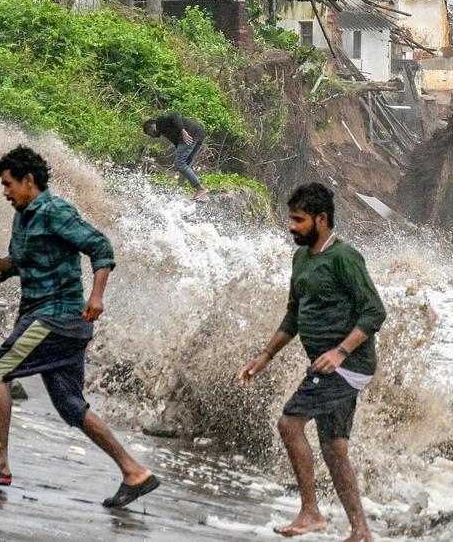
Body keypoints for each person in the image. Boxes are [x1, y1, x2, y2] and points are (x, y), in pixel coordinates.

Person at [0, 146, 159, 508]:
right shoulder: (23, 216)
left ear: (29, 181)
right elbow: (17, 265)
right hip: (52, 321)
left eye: (9, 184)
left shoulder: (55, 211)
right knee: (70, 405)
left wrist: (96, 297)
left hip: (57, 318)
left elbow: (100, 246)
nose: (6, 192)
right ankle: (134, 471)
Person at [238, 183, 386, 541]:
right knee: (334, 448)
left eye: (298, 219)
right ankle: (361, 531)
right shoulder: (302, 258)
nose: (291, 226)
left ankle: (310, 513)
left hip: (345, 367)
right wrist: (265, 356)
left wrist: (340, 352)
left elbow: (374, 312)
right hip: (329, 367)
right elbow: (293, 315)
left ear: (322, 219)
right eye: (290, 218)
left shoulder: (345, 258)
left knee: (289, 425)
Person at [142, 113, 209, 200]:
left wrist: (183, 131)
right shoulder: (164, 129)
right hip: (199, 134)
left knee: (179, 164)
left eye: (149, 133)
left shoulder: (160, 122)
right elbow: (177, 143)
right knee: (185, 165)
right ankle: (179, 190)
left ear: (151, 127)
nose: (152, 136)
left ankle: (200, 188)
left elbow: (175, 115)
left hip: (189, 134)